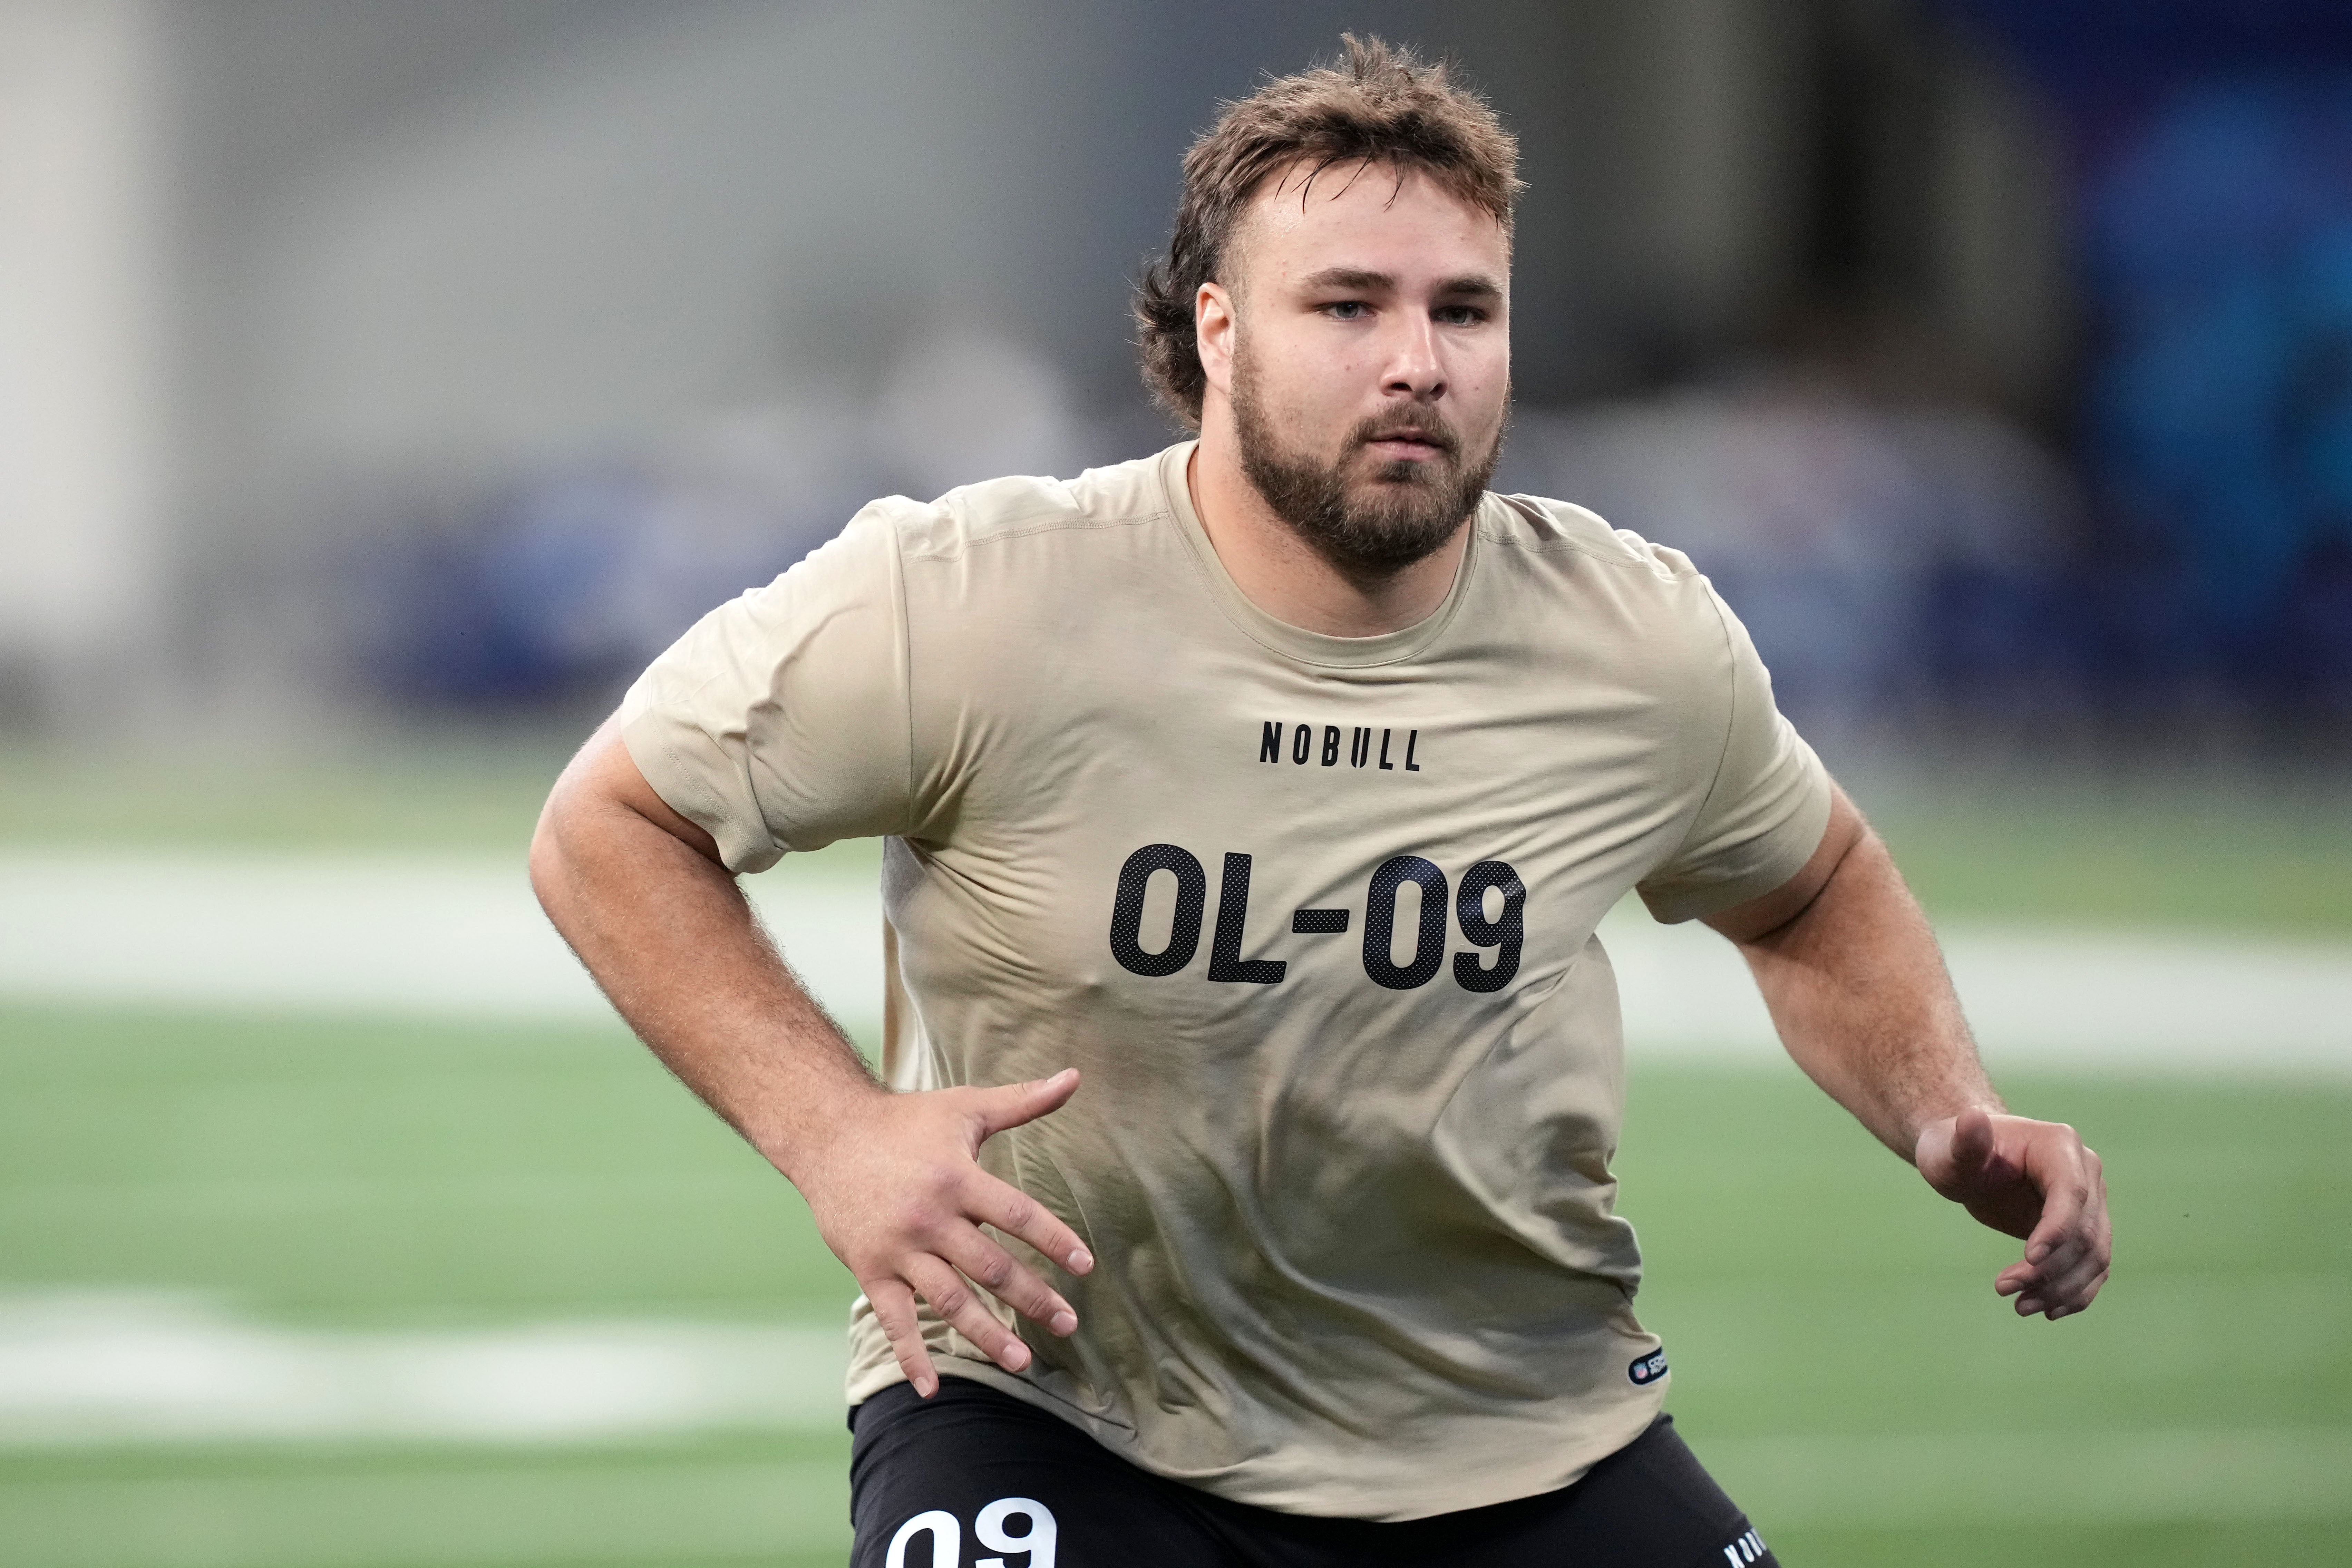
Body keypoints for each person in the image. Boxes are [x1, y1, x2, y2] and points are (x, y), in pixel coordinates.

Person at [530, 36, 2111, 1567]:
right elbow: (609, 824)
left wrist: (1942, 1104)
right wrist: (836, 1134)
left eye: (1464, 309)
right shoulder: (973, 597)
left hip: (1524, 1430)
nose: (1416, 360)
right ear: (1218, 333)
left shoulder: (1635, 640)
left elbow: (1813, 882)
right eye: (1348, 305)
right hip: (1063, 1414)